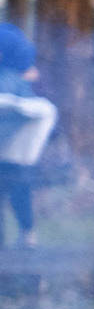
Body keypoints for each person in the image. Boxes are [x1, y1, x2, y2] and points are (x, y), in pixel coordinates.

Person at [0, 20, 39, 243]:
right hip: (16, 156)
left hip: (9, 153)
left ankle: (24, 233)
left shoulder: (9, 80)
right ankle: (27, 232)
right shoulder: (19, 80)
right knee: (18, 185)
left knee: (15, 183)